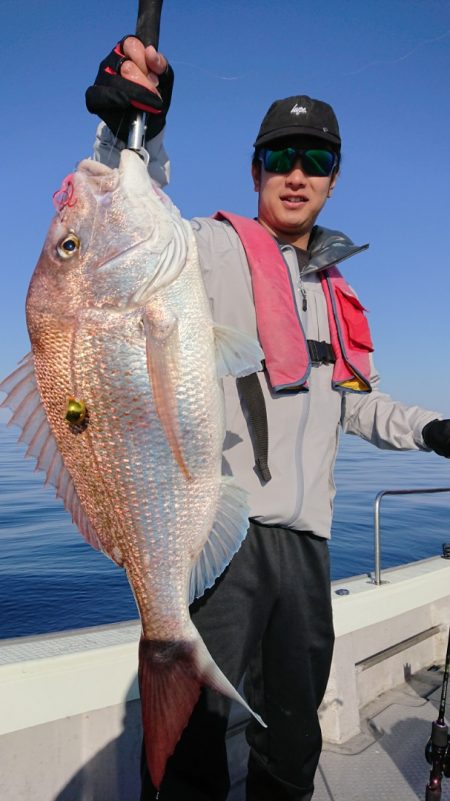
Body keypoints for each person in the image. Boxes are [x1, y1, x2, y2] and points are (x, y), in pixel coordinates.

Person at [85, 37, 450, 801]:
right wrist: (133, 133)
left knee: (292, 739)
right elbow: (131, 230)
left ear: (334, 178)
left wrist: (431, 429)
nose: (296, 173)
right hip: (224, 536)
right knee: (191, 744)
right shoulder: (212, 249)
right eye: (281, 156)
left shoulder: (340, 290)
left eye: (316, 160)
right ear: (255, 169)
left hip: (309, 546)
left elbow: (355, 400)